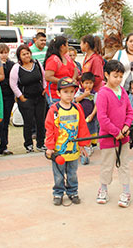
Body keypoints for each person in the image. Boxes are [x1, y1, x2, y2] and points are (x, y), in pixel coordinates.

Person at [45, 77, 90, 206]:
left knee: (72, 173)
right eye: (65, 92)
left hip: (73, 150)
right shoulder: (54, 110)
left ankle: (73, 192)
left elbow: (82, 126)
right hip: (59, 151)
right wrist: (50, 147)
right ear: (59, 93)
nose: (69, 95)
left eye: (71, 91)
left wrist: (83, 145)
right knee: (58, 174)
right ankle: (58, 193)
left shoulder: (77, 108)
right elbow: (49, 129)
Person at [95, 60, 133, 208]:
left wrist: (126, 126)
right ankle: (103, 189)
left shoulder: (123, 91)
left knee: (124, 164)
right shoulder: (102, 93)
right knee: (107, 165)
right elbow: (102, 118)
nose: (118, 79)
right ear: (106, 75)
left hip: (123, 139)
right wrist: (115, 132)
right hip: (108, 138)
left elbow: (130, 112)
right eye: (115, 76)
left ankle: (126, 191)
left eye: (120, 76)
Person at [10, 45, 47, 153]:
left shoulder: (37, 64)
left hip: (40, 98)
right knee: (28, 122)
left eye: (27, 53)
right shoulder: (17, 68)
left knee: (41, 121)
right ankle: (28, 145)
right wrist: (20, 96)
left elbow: (43, 77)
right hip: (26, 99)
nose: (26, 56)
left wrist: (44, 89)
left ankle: (41, 144)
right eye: (23, 54)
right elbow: (13, 84)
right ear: (19, 56)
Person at [44, 36, 78, 105]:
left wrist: (73, 79)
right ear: (62, 46)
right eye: (67, 44)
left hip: (69, 94)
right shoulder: (53, 59)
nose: (68, 46)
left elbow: (75, 69)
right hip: (56, 95)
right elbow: (48, 77)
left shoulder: (66, 56)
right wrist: (63, 82)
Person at [74, 72, 98, 164]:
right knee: (81, 131)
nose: (88, 85)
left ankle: (90, 146)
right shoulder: (80, 91)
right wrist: (84, 95)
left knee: (90, 131)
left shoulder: (94, 93)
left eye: (91, 83)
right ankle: (83, 146)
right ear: (82, 83)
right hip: (81, 116)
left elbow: (97, 105)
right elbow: (75, 100)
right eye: (86, 83)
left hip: (90, 116)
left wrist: (92, 114)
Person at [0, 43, 16, 155]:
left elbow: (13, 80)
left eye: (5, 53)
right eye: (1, 53)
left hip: (8, 96)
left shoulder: (12, 65)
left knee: (5, 122)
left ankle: (4, 145)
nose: (4, 55)